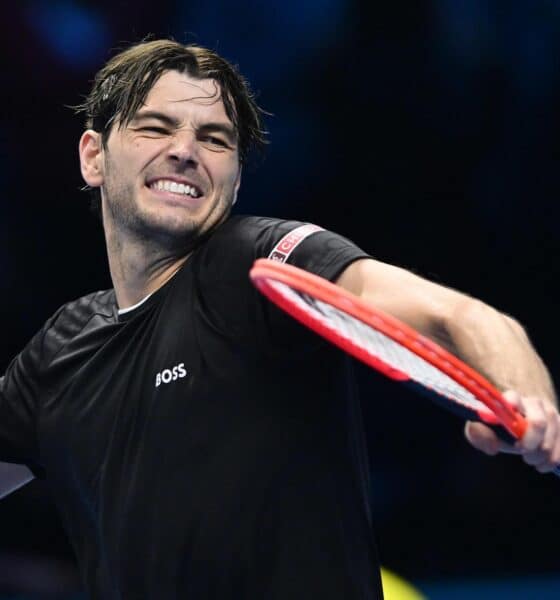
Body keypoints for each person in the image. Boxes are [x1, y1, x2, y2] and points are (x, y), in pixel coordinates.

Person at [0, 38, 557, 599]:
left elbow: (460, 316)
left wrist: (529, 402)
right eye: (155, 127)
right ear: (93, 156)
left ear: (235, 179)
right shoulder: (59, 352)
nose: (185, 150)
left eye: (215, 139)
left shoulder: (256, 261)